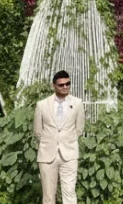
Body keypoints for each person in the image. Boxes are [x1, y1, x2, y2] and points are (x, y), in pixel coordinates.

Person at [34, 70, 85, 204]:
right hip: (47, 155)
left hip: (69, 154)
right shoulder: (42, 105)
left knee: (69, 194)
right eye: (61, 85)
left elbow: (79, 128)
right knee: (49, 196)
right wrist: (51, 141)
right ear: (53, 86)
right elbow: (38, 131)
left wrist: (66, 140)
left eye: (68, 84)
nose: (65, 87)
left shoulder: (78, 103)